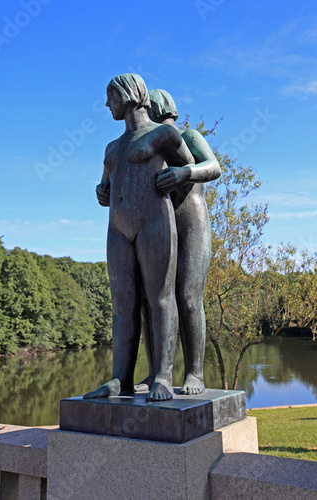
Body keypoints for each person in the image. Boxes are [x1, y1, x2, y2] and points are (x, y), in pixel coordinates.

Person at [84, 74, 195, 401]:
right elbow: (106, 182)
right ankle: (120, 379)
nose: (107, 105)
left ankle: (163, 375)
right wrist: (102, 191)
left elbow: (188, 169)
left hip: (153, 221)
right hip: (117, 227)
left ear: (130, 95)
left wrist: (175, 177)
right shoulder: (112, 147)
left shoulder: (164, 134)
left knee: (160, 298)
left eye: (111, 98)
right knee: (122, 303)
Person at [134, 89, 221, 395]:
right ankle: (156, 372)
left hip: (191, 222)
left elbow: (214, 167)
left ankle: (195, 373)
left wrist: (185, 172)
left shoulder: (188, 135)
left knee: (187, 296)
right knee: (151, 299)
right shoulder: (149, 143)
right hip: (160, 225)